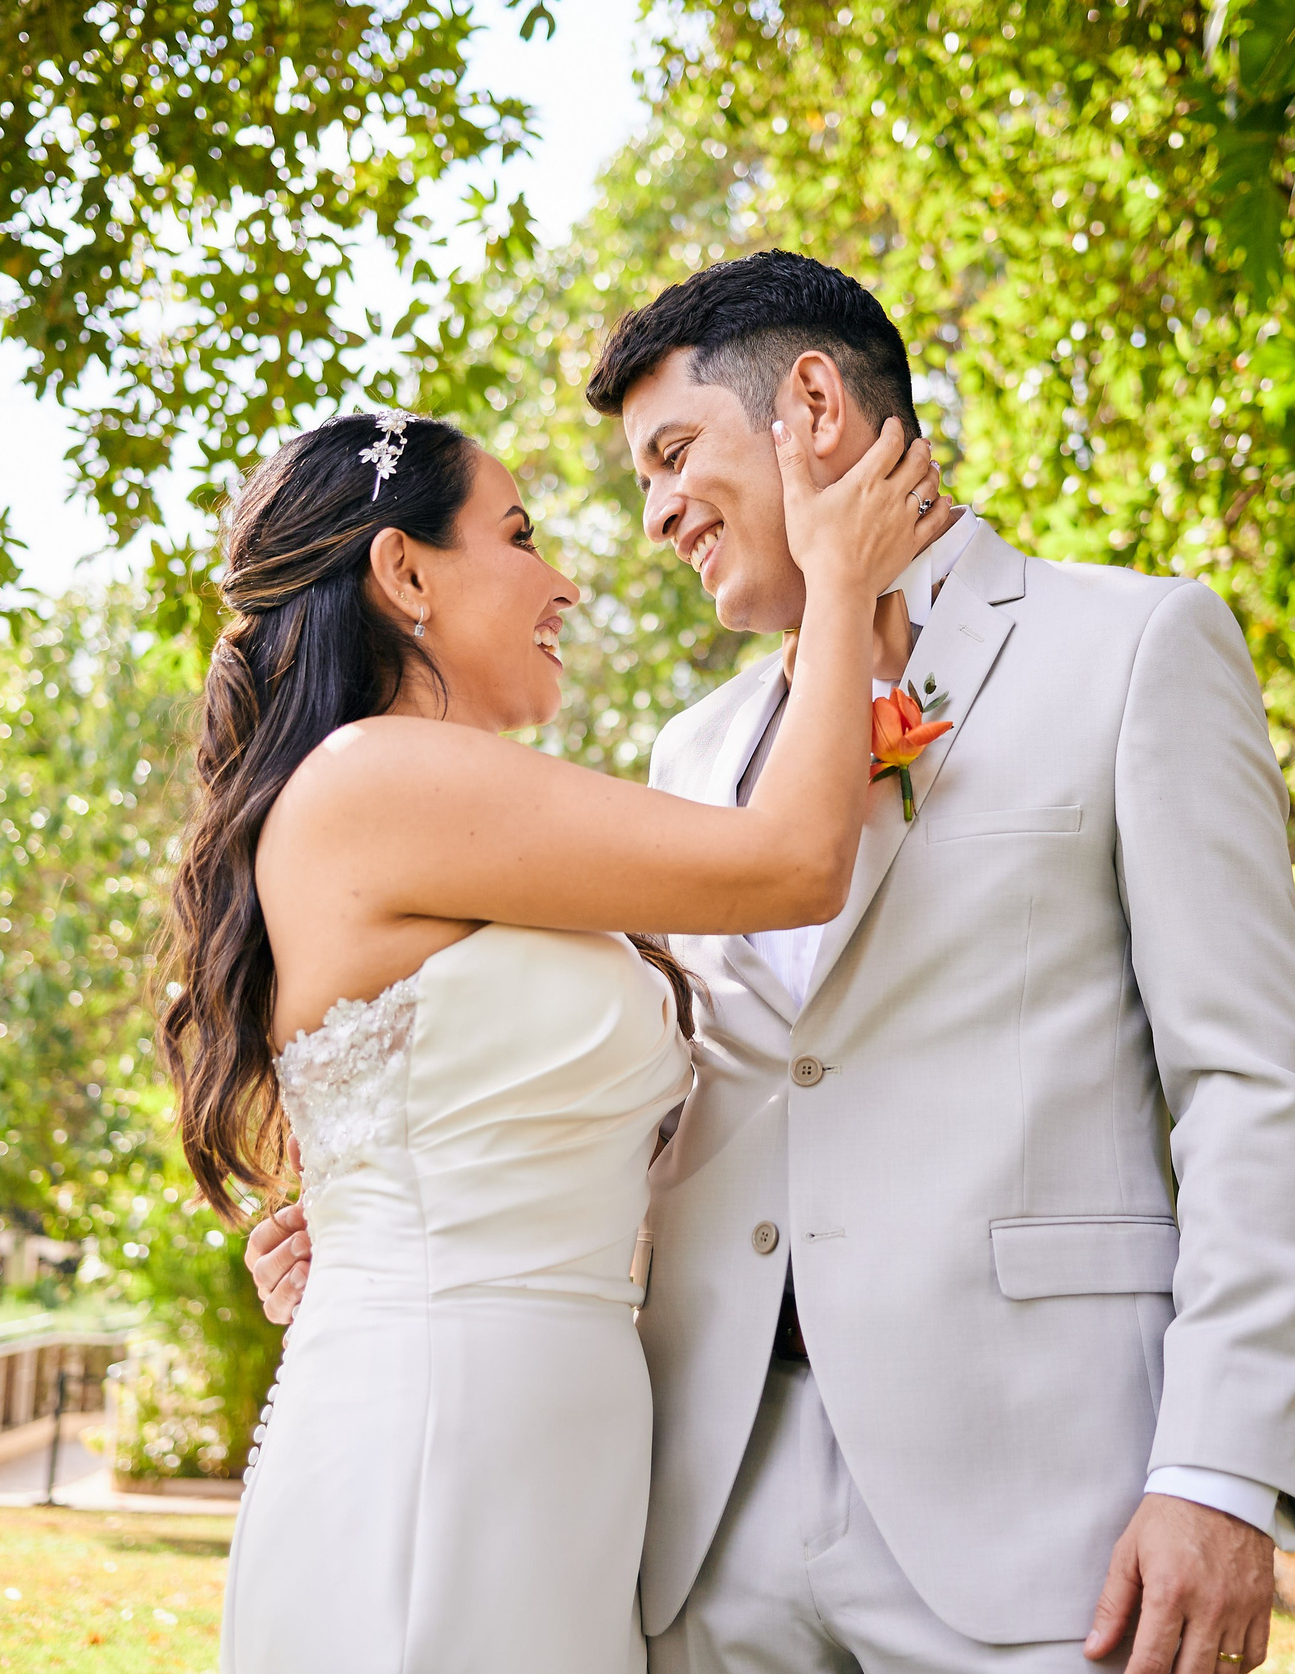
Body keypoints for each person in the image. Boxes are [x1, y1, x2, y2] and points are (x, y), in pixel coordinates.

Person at [247, 251, 1295, 1674]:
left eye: (672, 454)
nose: (650, 519)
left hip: (1045, 1512)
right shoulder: (693, 756)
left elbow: (1254, 1082)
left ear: (812, 401)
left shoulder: (1132, 649)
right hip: (702, 1516)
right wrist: (416, 1203)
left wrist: (1217, 1468)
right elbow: (699, 1097)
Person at [164, 402, 949, 1674]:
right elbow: (797, 863)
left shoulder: (431, 801)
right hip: (451, 1431)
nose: (567, 582)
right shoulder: (378, 775)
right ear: (403, 571)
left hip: (548, 1430)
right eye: (520, 534)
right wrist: (842, 579)